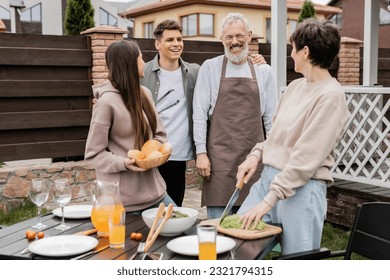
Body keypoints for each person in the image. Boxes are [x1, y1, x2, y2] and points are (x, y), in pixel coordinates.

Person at [235, 19, 350, 254]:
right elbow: (275, 136)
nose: (291, 53)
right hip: (269, 180)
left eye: (293, 47)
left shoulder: (331, 96)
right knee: (238, 248)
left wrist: (269, 200)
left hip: (303, 189)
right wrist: (255, 156)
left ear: (305, 52)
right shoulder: (295, 87)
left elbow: (306, 158)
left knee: (297, 265)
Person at [141, 19, 266, 206]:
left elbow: (232, 65)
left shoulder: (194, 72)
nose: (176, 44)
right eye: (169, 40)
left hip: (178, 154)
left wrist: (254, 60)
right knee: (146, 207)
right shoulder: (144, 72)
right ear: (157, 44)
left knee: (174, 209)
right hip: (150, 152)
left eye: (179, 39)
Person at [193, 13, 278, 219]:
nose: (234, 42)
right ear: (222, 39)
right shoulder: (210, 68)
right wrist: (201, 153)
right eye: (229, 37)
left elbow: (271, 119)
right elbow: (199, 113)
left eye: (239, 36)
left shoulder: (264, 71)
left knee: (251, 224)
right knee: (217, 225)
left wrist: (273, 155)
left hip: (254, 158)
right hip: (219, 159)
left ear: (249, 36)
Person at [84, 40, 175, 213]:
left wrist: (156, 154)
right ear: (130, 64)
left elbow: (160, 135)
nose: (144, 62)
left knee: (184, 233)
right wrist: (125, 163)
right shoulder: (106, 103)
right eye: (140, 58)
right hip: (123, 203)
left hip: (157, 194)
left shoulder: (145, 94)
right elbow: (94, 154)